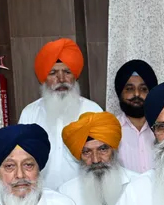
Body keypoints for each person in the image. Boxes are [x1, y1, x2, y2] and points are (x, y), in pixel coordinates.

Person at [18, 38, 102, 190]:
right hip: (42, 195)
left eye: (67, 72)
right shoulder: (30, 113)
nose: (61, 79)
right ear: (44, 78)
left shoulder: (92, 110)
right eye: (53, 73)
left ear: (75, 76)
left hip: (83, 194)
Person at [59, 112, 139, 205]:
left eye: (103, 149)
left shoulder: (138, 183)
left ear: (114, 149)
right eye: (87, 152)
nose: (96, 160)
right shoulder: (67, 193)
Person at [113, 59, 158, 173]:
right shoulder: (111, 129)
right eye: (129, 89)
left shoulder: (163, 128)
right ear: (120, 93)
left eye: (143, 89)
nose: (137, 94)